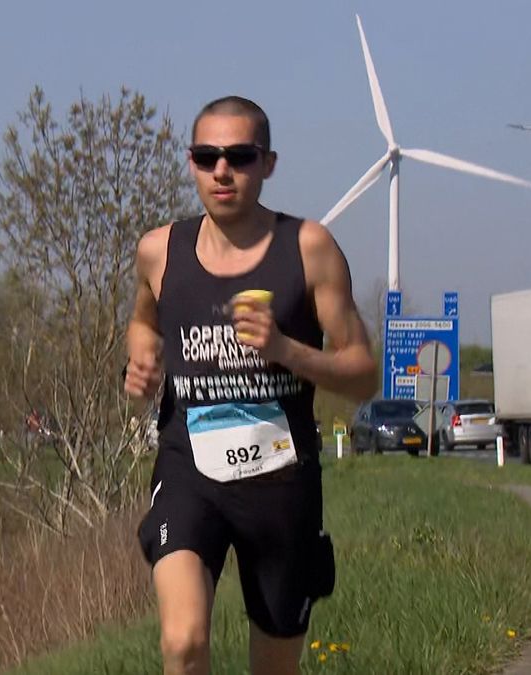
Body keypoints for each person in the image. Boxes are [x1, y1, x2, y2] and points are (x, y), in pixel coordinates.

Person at [124, 96, 377, 675]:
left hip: (281, 479)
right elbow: (142, 320)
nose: (221, 171)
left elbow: (363, 373)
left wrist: (285, 350)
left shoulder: (308, 249)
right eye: (205, 156)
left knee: (274, 666)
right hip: (189, 466)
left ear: (268, 163)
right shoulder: (159, 250)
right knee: (183, 642)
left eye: (239, 156)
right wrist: (140, 358)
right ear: (190, 162)